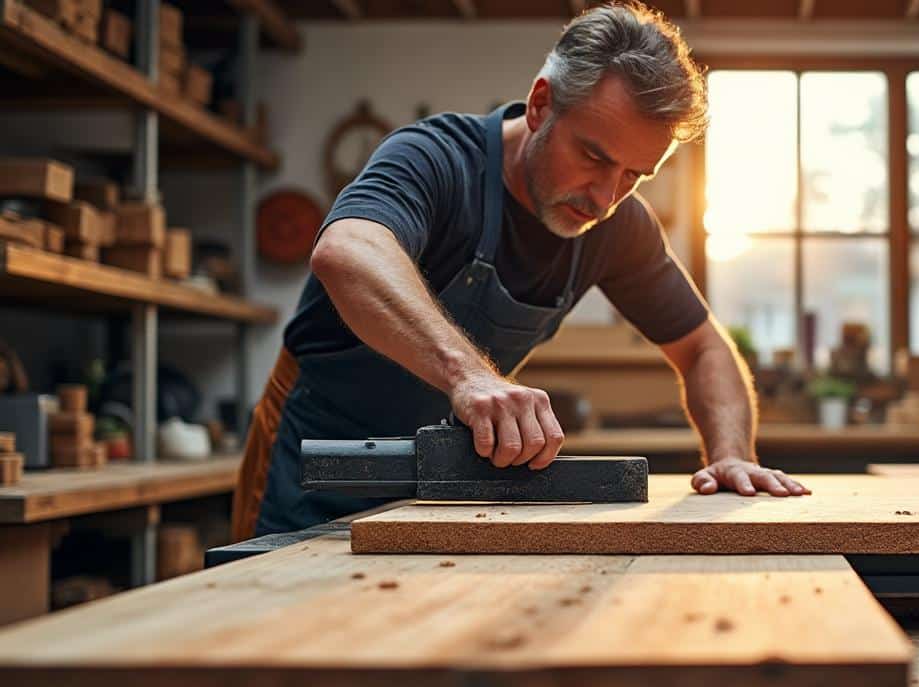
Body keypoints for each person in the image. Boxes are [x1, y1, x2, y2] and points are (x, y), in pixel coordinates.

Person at [232, 1, 809, 540]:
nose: (607, 196)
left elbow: (706, 349)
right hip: (313, 460)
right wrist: (471, 376)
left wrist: (732, 454)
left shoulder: (618, 225)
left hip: (440, 479)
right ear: (540, 105)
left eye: (636, 174)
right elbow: (348, 250)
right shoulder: (436, 158)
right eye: (594, 157)